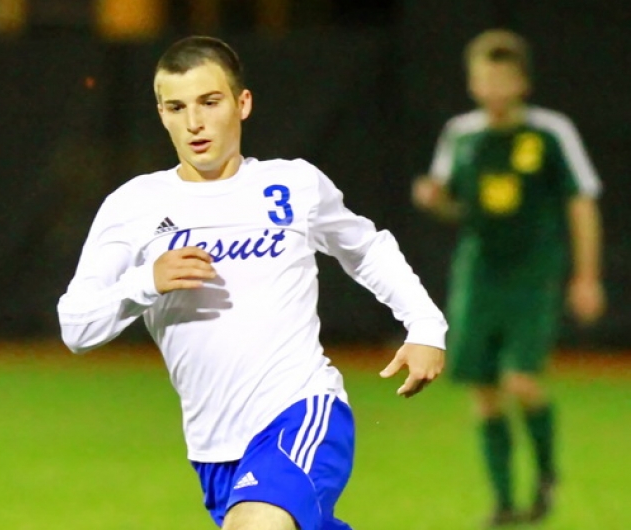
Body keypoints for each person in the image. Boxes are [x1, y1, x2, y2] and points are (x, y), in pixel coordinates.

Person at [59, 35, 447, 530]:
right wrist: (145, 282)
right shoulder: (133, 205)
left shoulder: (293, 185)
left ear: (242, 104)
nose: (194, 122)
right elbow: (75, 325)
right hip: (214, 450)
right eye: (176, 107)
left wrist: (424, 326)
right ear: (161, 113)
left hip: (301, 411)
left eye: (209, 102)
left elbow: (366, 247)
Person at [412, 29, 605, 527]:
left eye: (503, 79)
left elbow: (581, 201)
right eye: (484, 80)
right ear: (473, 84)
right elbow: (455, 203)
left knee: (521, 380)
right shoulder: (462, 134)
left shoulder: (549, 132)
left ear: (522, 82)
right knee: (482, 388)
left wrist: (586, 276)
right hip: (478, 271)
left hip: (533, 271)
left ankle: (544, 472)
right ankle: (503, 502)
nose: (493, 90)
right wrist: (436, 200)